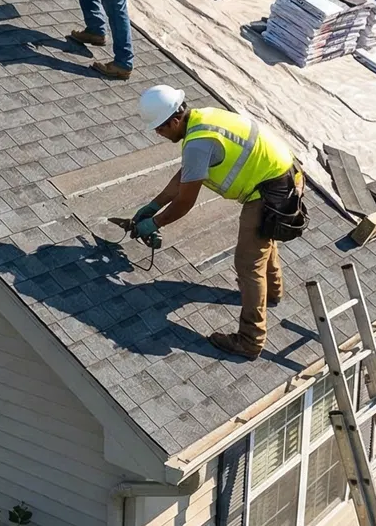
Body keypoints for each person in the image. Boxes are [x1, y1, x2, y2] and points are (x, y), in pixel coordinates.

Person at [127, 85, 308, 360]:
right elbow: (187, 174)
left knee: (248, 264)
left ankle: (250, 340)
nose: (158, 134)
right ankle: (272, 292)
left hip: (269, 192)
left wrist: (155, 223)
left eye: (160, 128)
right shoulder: (203, 118)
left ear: (175, 119)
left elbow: (185, 201)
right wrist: (154, 205)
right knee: (261, 241)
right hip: (286, 175)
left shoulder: (198, 144)